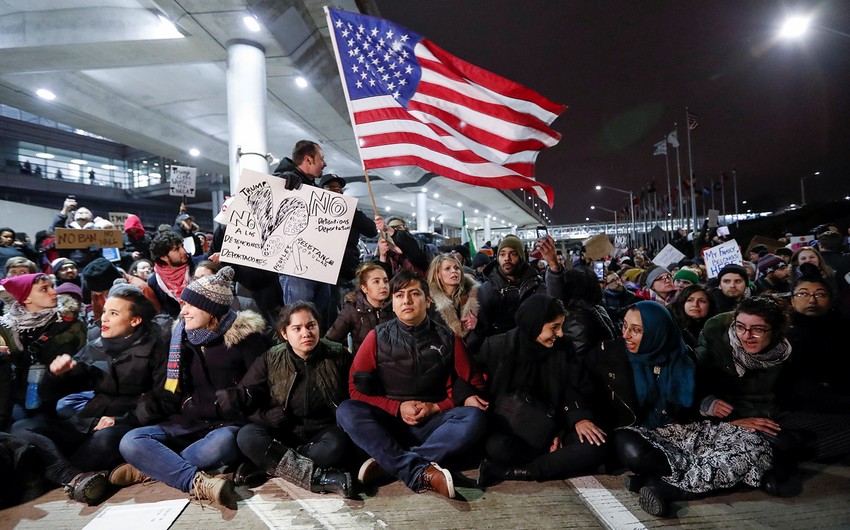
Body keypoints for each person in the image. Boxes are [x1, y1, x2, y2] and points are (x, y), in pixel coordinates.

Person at [10, 282, 171, 505]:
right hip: (90, 418)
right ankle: (73, 477)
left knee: (102, 443)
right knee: (21, 428)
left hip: (128, 422)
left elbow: (165, 398)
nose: (104, 318)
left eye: (113, 313)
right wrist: (60, 374)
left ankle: (58, 472)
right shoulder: (96, 342)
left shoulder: (158, 346)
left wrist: (121, 418)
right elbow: (52, 394)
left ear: (135, 320)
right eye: (105, 311)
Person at [117, 266, 267, 505]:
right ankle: (192, 479)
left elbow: (262, 387)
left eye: (189, 305)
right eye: (183, 304)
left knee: (219, 446)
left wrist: (242, 396)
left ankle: (152, 467)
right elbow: (172, 387)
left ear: (211, 309)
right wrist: (155, 400)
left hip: (227, 425)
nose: (183, 311)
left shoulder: (246, 339)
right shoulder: (181, 338)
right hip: (188, 422)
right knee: (130, 441)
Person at [335, 270, 488, 499]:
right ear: (393, 304)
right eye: (399, 295)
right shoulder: (376, 338)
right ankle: (417, 472)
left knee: (474, 417)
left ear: (428, 301)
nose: (406, 301)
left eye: (414, 294)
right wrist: (397, 408)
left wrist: (438, 407)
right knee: (346, 411)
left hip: (433, 425)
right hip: (391, 424)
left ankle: (390, 464)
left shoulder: (448, 338)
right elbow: (355, 390)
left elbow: (475, 382)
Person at [613, 302, 773, 517]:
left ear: (658, 332)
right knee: (632, 449)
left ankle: (663, 484)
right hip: (645, 435)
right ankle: (684, 485)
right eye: (624, 326)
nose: (626, 335)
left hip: (687, 431)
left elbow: (698, 396)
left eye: (637, 330)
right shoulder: (612, 359)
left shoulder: (683, 358)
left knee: (755, 442)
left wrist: (715, 409)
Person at [696, 295, 850, 501]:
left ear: (775, 330)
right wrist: (726, 418)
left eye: (758, 329)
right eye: (740, 327)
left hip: (773, 415)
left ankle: (784, 455)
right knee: (778, 442)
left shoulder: (787, 349)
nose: (746, 335)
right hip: (733, 420)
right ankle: (778, 457)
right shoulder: (716, 341)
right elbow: (694, 388)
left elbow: (804, 389)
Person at [474, 294, 607, 486]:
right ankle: (555, 463)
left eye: (561, 326)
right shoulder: (497, 347)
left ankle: (518, 471)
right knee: (497, 447)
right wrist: (469, 396)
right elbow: (466, 375)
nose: (560, 334)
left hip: (555, 426)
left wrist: (577, 420)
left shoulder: (564, 347)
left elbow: (576, 387)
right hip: (513, 432)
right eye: (554, 327)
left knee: (596, 445)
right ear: (534, 324)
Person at [228, 301, 353, 497]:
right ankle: (319, 479)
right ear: (284, 334)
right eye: (297, 328)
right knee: (247, 436)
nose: (306, 333)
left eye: (311, 326)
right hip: (283, 432)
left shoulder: (338, 354)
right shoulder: (270, 358)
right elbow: (244, 396)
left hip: (322, 433)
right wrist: (266, 417)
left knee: (337, 447)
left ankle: (271, 465)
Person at [0, 274, 87, 428]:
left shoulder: (71, 325)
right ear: (26, 298)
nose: (54, 292)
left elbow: (83, 366)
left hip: (58, 398)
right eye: (44, 289)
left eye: (52, 286)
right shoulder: (6, 327)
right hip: (17, 396)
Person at [274, 140, 334, 323]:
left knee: (319, 319)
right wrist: (283, 179)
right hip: (295, 270)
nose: (325, 163)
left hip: (319, 265)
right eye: (321, 159)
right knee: (300, 319)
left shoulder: (313, 187)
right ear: (308, 160)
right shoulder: (286, 181)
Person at [470, 235, 545, 351]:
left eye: (513, 254)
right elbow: (479, 334)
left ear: (521, 257)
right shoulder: (487, 290)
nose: (507, 258)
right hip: (499, 354)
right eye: (502, 254)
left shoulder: (535, 285)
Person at [320, 173, 378, 318]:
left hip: (347, 273)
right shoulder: (316, 211)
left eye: (339, 189)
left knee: (351, 314)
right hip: (324, 274)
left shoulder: (351, 212)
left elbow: (371, 230)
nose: (336, 191)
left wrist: (351, 209)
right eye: (331, 188)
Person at [325, 263, 393, 354]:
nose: (383, 286)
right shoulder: (352, 309)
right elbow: (330, 340)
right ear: (364, 288)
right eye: (376, 282)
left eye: (386, 281)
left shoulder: (396, 307)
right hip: (363, 364)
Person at [426, 254, 479, 341]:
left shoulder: (474, 295)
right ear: (438, 274)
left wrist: (477, 324)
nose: (454, 271)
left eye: (456, 268)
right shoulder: (429, 301)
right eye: (447, 268)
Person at [148, 231, 196, 318]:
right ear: (164, 257)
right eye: (177, 249)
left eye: (182, 246)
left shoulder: (198, 265)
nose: (183, 251)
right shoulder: (154, 281)